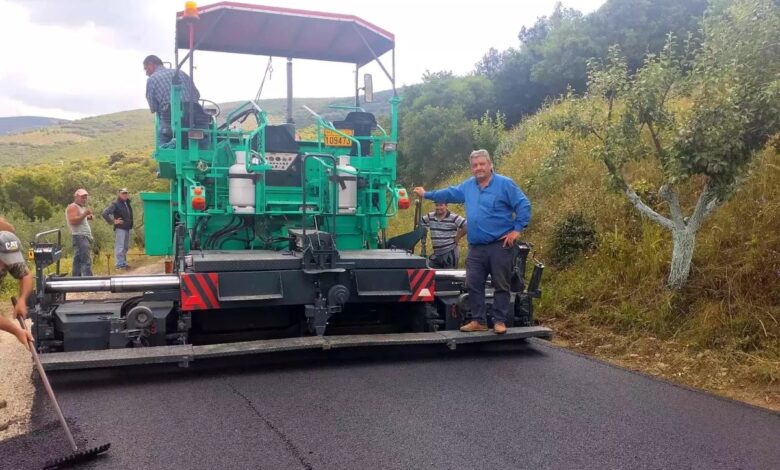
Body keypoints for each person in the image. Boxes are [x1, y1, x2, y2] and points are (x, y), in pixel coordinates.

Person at [413, 149, 531, 334]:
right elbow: (449, 193)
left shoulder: (505, 184)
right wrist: (427, 194)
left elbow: (523, 205)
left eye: (482, 164)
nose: (479, 168)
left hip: (500, 245)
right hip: (476, 247)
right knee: (473, 283)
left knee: (501, 284)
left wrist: (517, 230)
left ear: (490, 165)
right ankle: (479, 321)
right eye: (475, 165)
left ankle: (499, 321)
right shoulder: (468, 186)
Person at [143, 54, 207, 148]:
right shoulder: (181, 73)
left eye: (146, 68)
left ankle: (163, 151)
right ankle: (205, 148)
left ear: (151, 64)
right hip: (195, 117)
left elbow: (153, 107)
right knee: (205, 135)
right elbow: (197, 94)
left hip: (170, 119)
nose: (146, 73)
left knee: (161, 136)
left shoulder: (152, 79)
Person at [0, 230, 34, 349]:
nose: (8, 264)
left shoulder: (7, 255)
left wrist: (22, 300)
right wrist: (16, 330)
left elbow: (26, 276)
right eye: (4, 259)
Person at [421, 203, 466, 268]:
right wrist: (423, 230)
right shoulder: (430, 216)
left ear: (446, 206)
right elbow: (421, 222)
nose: (438, 207)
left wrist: (458, 237)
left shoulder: (453, 217)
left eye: (441, 205)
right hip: (437, 253)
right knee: (427, 268)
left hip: (449, 252)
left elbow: (467, 225)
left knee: (450, 275)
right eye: (437, 205)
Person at [102, 188, 134, 270]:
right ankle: (119, 265)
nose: (125, 194)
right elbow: (105, 213)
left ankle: (123, 263)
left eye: (126, 193)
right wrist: (113, 221)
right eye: (123, 193)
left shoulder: (127, 203)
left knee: (125, 247)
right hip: (120, 228)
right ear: (119, 194)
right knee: (120, 247)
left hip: (127, 228)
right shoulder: (116, 204)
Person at [66, 188, 94, 277]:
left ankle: (76, 279)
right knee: (86, 259)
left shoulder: (81, 207)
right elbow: (73, 221)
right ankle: (89, 280)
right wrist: (85, 214)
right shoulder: (72, 207)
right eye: (82, 197)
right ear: (76, 197)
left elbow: (80, 219)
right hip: (80, 236)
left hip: (82, 236)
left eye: (85, 197)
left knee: (78, 259)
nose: (84, 199)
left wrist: (88, 217)